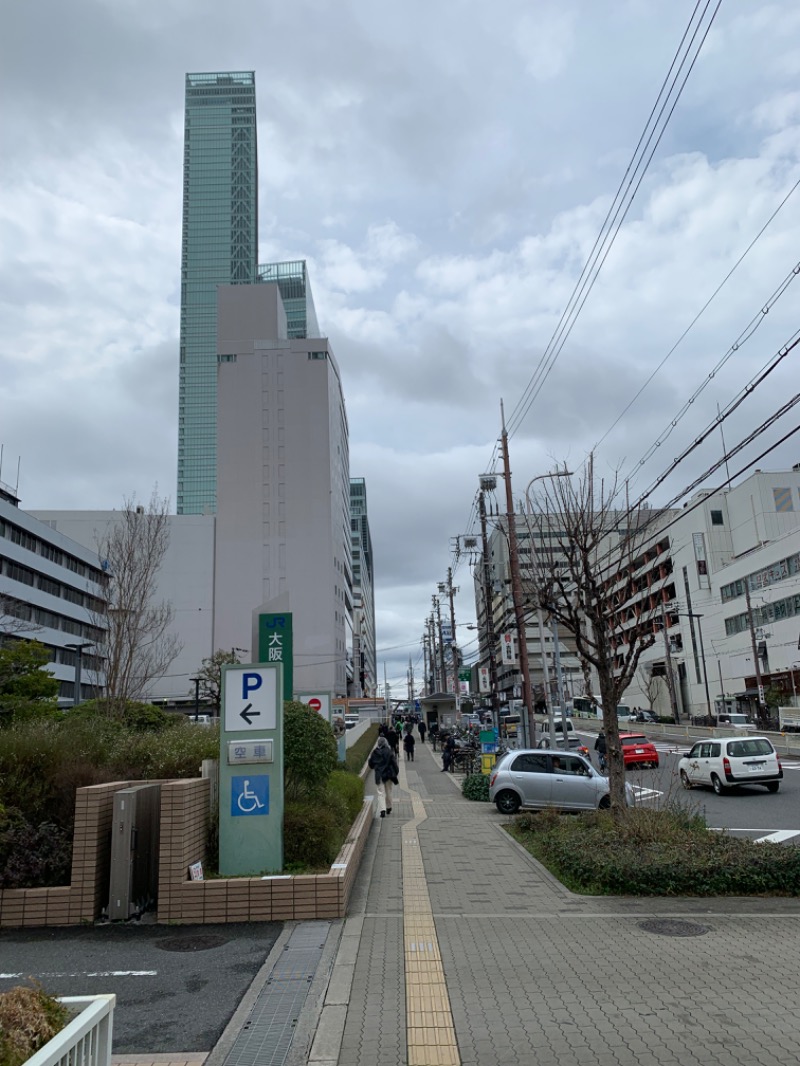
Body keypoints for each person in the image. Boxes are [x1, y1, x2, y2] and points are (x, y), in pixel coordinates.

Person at [368, 735, 399, 818]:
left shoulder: (375, 752)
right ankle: (389, 807)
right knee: (388, 791)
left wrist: (376, 766)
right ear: (386, 743)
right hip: (388, 775)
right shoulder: (389, 751)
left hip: (379, 775)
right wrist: (396, 772)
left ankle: (382, 810)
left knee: (380, 793)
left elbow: (371, 764)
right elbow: (394, 763)